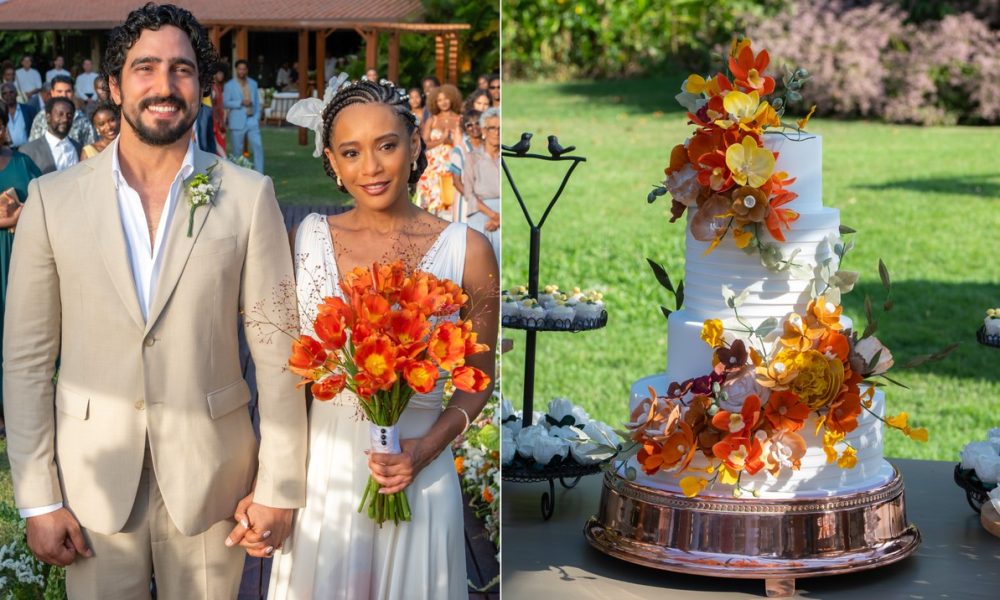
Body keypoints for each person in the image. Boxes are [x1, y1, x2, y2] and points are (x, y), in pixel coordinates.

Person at [3, 4, 307, 598]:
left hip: (215, 483)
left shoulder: (247, 196)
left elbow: (279, 354)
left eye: (182, 69)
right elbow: (27, 361)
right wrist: (38, 496)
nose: (164, 86)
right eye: (145, 68)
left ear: (203, 86)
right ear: (114, 86)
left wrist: (279, 486)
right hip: (92, 484)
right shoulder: (50, 200)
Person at [269, 78, 498, 600]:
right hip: (323, 476)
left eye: (387, 146)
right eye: (351, 153)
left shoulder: (469, 250)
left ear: (414, 146)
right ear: (331, 160)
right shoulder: (303, 241)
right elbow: (285, 377)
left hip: (420, 472)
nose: (370, 168)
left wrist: (424, 451)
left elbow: (479, 379)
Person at [0, 109, 42, 437]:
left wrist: (19, 215)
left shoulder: (22, 163)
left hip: (17, 254)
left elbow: (44, 200)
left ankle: (14, 411)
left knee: (16, 330)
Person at [416, 84, 462, 220]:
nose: (443, 102)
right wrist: (441, 140)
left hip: (452, 163)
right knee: (432, 201)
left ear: (452, 99)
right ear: (435, 102)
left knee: (450, 197)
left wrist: (451, 142)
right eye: (440, 100)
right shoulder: (432, 120)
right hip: (433, 167)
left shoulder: (460, 119)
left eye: (446, 98)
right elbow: (423, 144)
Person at [462, 107, 500, 263]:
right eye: (492, 128)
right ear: (484, 130)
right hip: (481, 211)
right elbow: (469, 194)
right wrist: (494, 216)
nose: (497, 132)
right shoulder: (473, 157)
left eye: (500, 128)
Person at [27, 74, 96, 146]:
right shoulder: (41, 117)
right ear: (52, 93)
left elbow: (89, 148)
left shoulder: (82, 119)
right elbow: (33, 146)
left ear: (73, 93)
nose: (64, 95)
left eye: (68, 91)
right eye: (59, 91)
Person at [18, 96, 80, 174]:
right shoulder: (28, 151)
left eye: (69, 115)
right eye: (60, 114)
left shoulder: (78, 148)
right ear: (48, 117)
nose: (65, 119)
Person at [224, 59, 263, 172]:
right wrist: (240, 102)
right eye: (240, 69)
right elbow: (225, 102)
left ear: (247, 70)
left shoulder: (253, 83)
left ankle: (259, 174)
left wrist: (256, 117)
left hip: (252, 120)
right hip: (237, 121)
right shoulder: (229, 85)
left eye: (244, 69)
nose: (242, 71)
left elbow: (256, 102)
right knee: (237, 151)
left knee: (258, 147)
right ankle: (239, 175)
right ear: (236, 70)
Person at [449, 108, 482, 223]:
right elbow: (457, 182)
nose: (474, 128)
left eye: (478, 123)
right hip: (466, 203)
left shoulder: (490, 148)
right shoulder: (460, 150)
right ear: (465, 129)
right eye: (469, 125)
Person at [2, 82, 38, 148]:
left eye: (11, 92)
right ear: (2, 96)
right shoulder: (1, 113)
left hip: (27, 149)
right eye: (5, 93)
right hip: (7, 152)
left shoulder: (29, 110)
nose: (8, 95)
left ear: (16, 93)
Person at [211, 66, 227, 153]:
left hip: (220, 119)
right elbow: (213, 106)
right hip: (214, 121)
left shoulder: (220, 87)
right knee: (218, 145)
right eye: (218, 73)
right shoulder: (212, 87)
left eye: (222, 73)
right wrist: (219, 122)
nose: (221, 75)